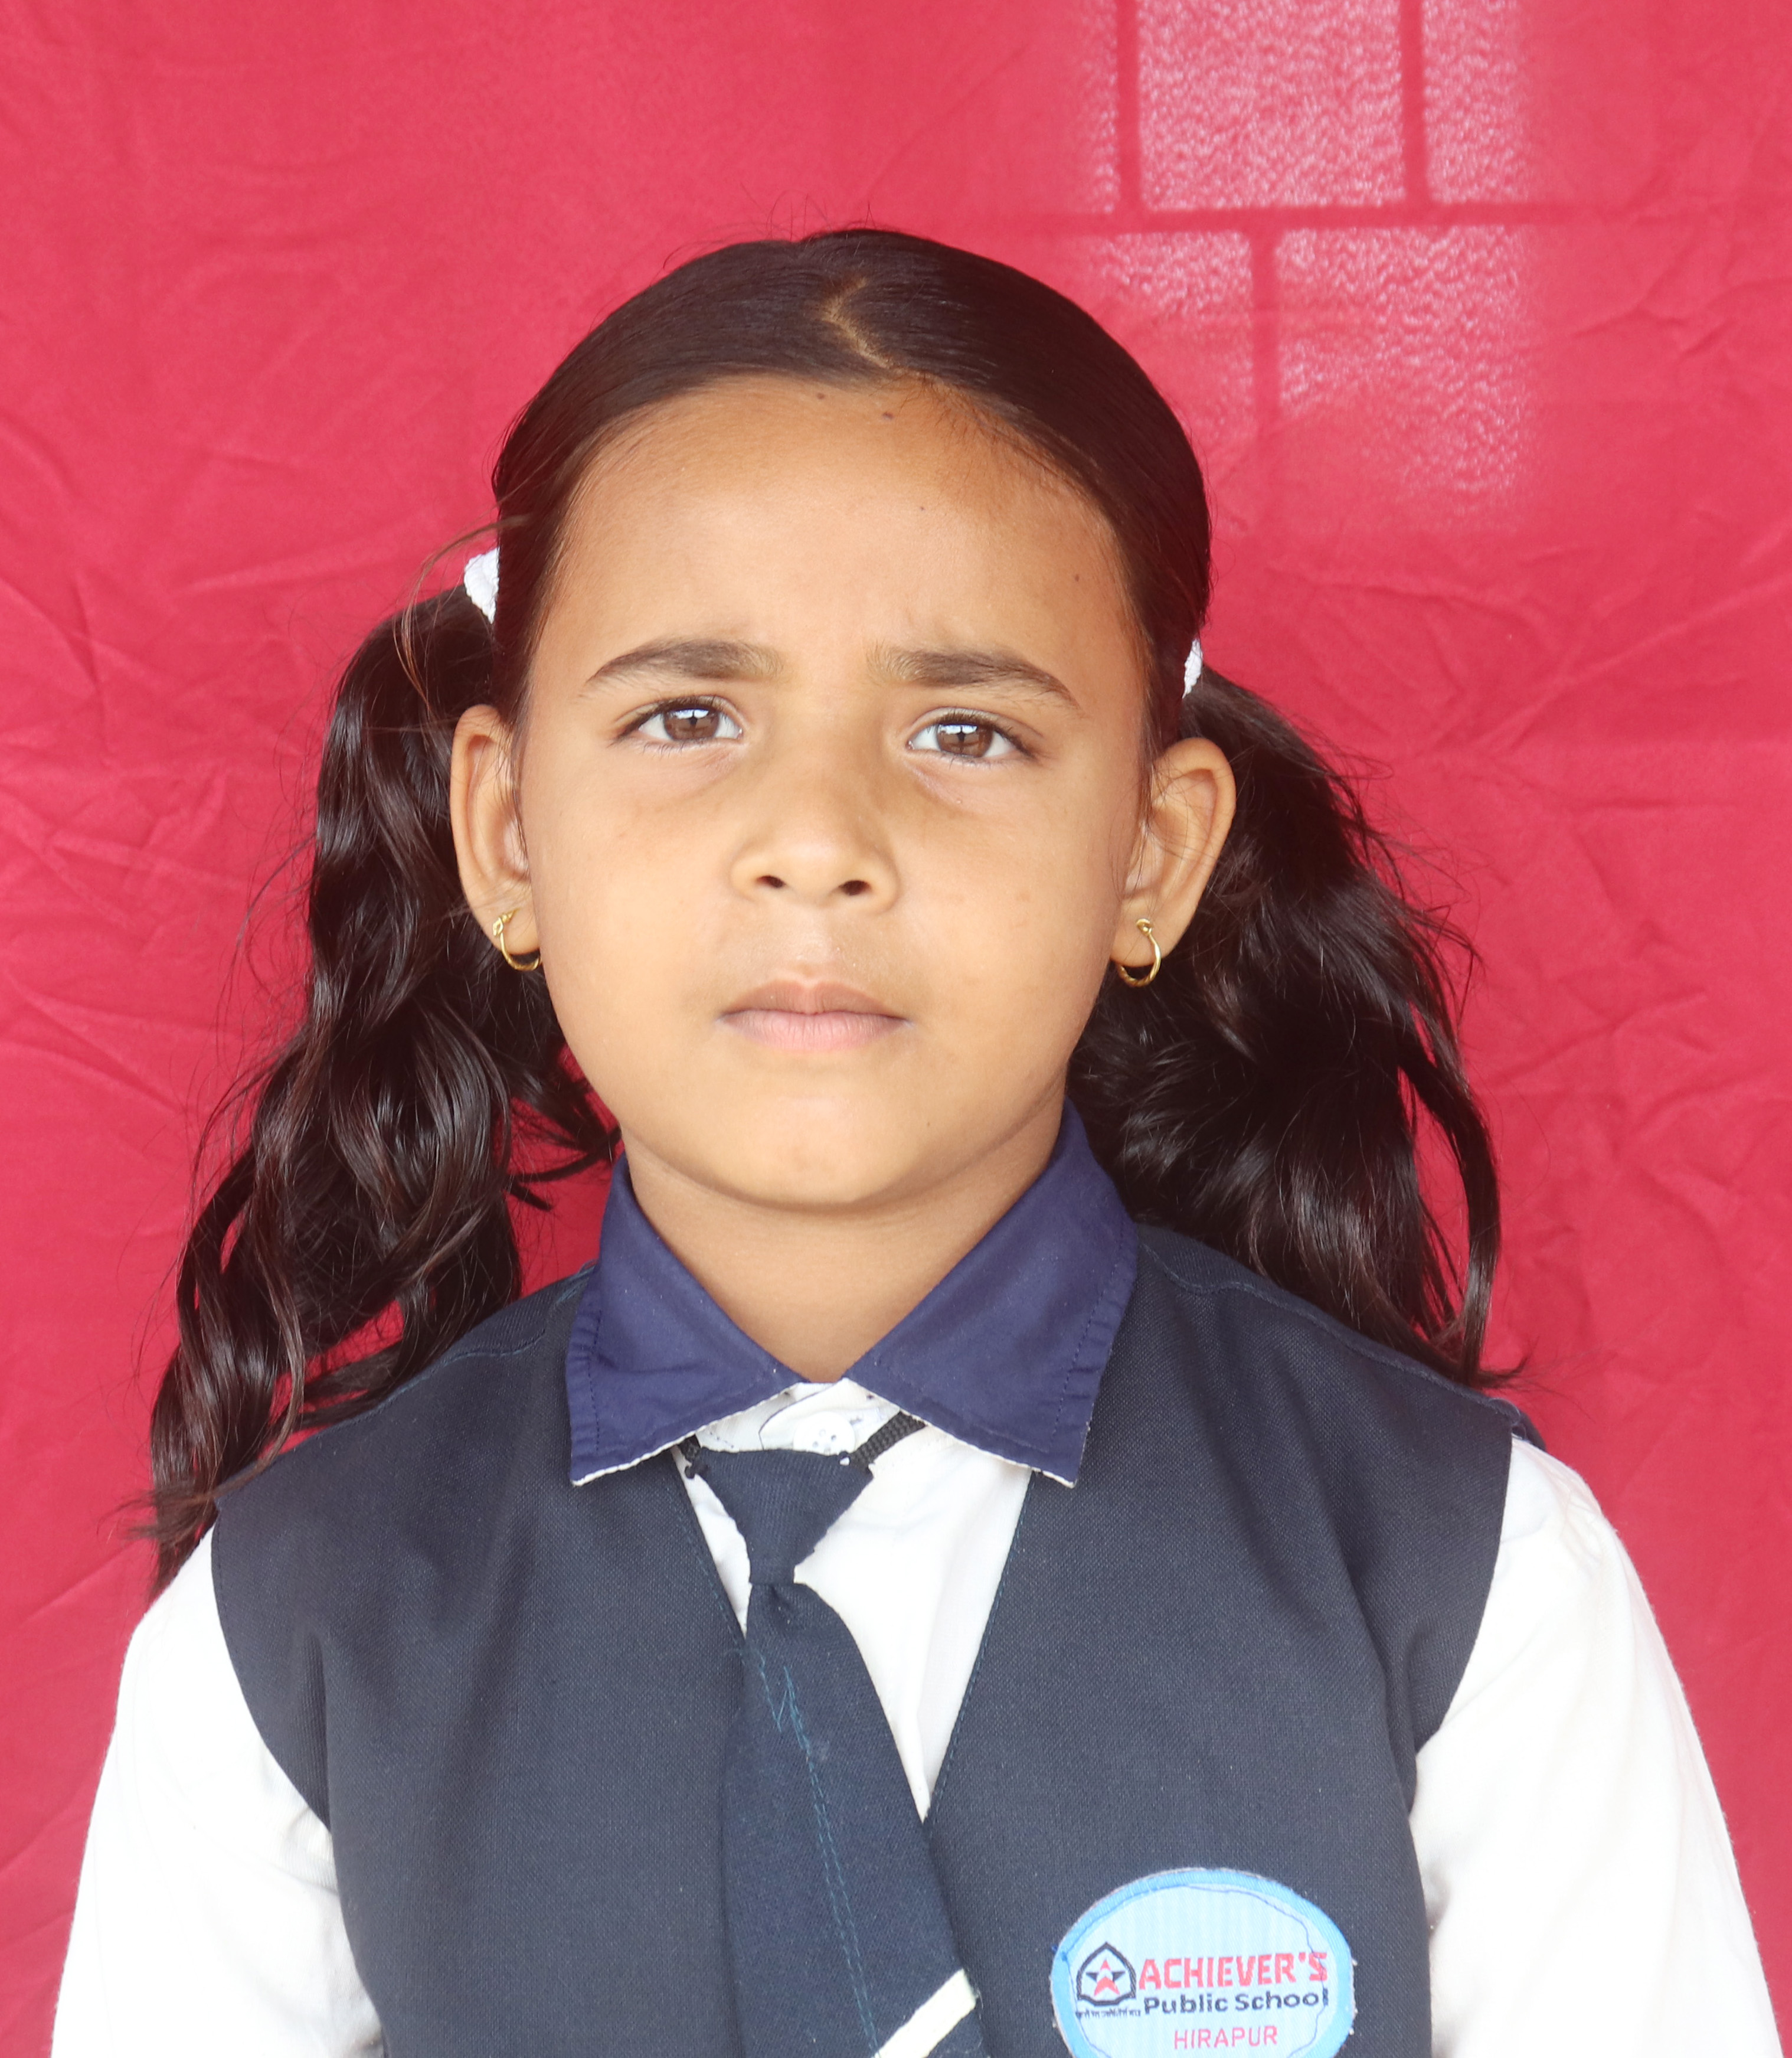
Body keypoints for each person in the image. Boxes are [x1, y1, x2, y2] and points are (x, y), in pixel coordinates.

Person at [53, 230, 1777, 2058]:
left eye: (965, 731)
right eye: (686, 718)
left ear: (1151, 855)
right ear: (504, 834)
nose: (816, 840)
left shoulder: (1459, 1565)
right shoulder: (294, 1618)